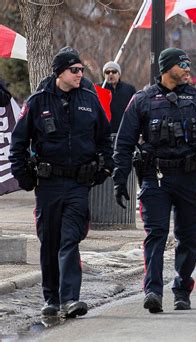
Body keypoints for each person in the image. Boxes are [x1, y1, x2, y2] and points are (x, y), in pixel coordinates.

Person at [113, 48, 196, 313]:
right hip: (155, 178)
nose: (187, 69)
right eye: (182, 65)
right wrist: (120, 179)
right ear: (166, 68)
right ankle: (153, 291)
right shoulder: (142, 100)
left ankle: (182, 287)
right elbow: (124, 143)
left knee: (188, 238)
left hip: (189, 177)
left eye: (189, 64)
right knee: (156, 234)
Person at [9, 48, 113, 318]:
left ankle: (70, 298)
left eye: (81, 70)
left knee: (70, 239)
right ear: (59, 72)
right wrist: (25, 177)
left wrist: (104, 169)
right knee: (49, 242)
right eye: (74, 70)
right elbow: (18, 143)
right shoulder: (38, 102)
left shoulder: (89, 100)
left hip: (79, 184)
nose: (80, 74)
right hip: (49, 184)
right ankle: (51, 298)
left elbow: (104, 138)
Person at [102, 61, 136, 133]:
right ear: (104, 75)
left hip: (124, 132)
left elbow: (135, 111)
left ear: (119, 74)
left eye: (114, 71)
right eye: (107, 72)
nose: (111, 74)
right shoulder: (98, 89)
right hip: (105, 133)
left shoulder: (129, 89)